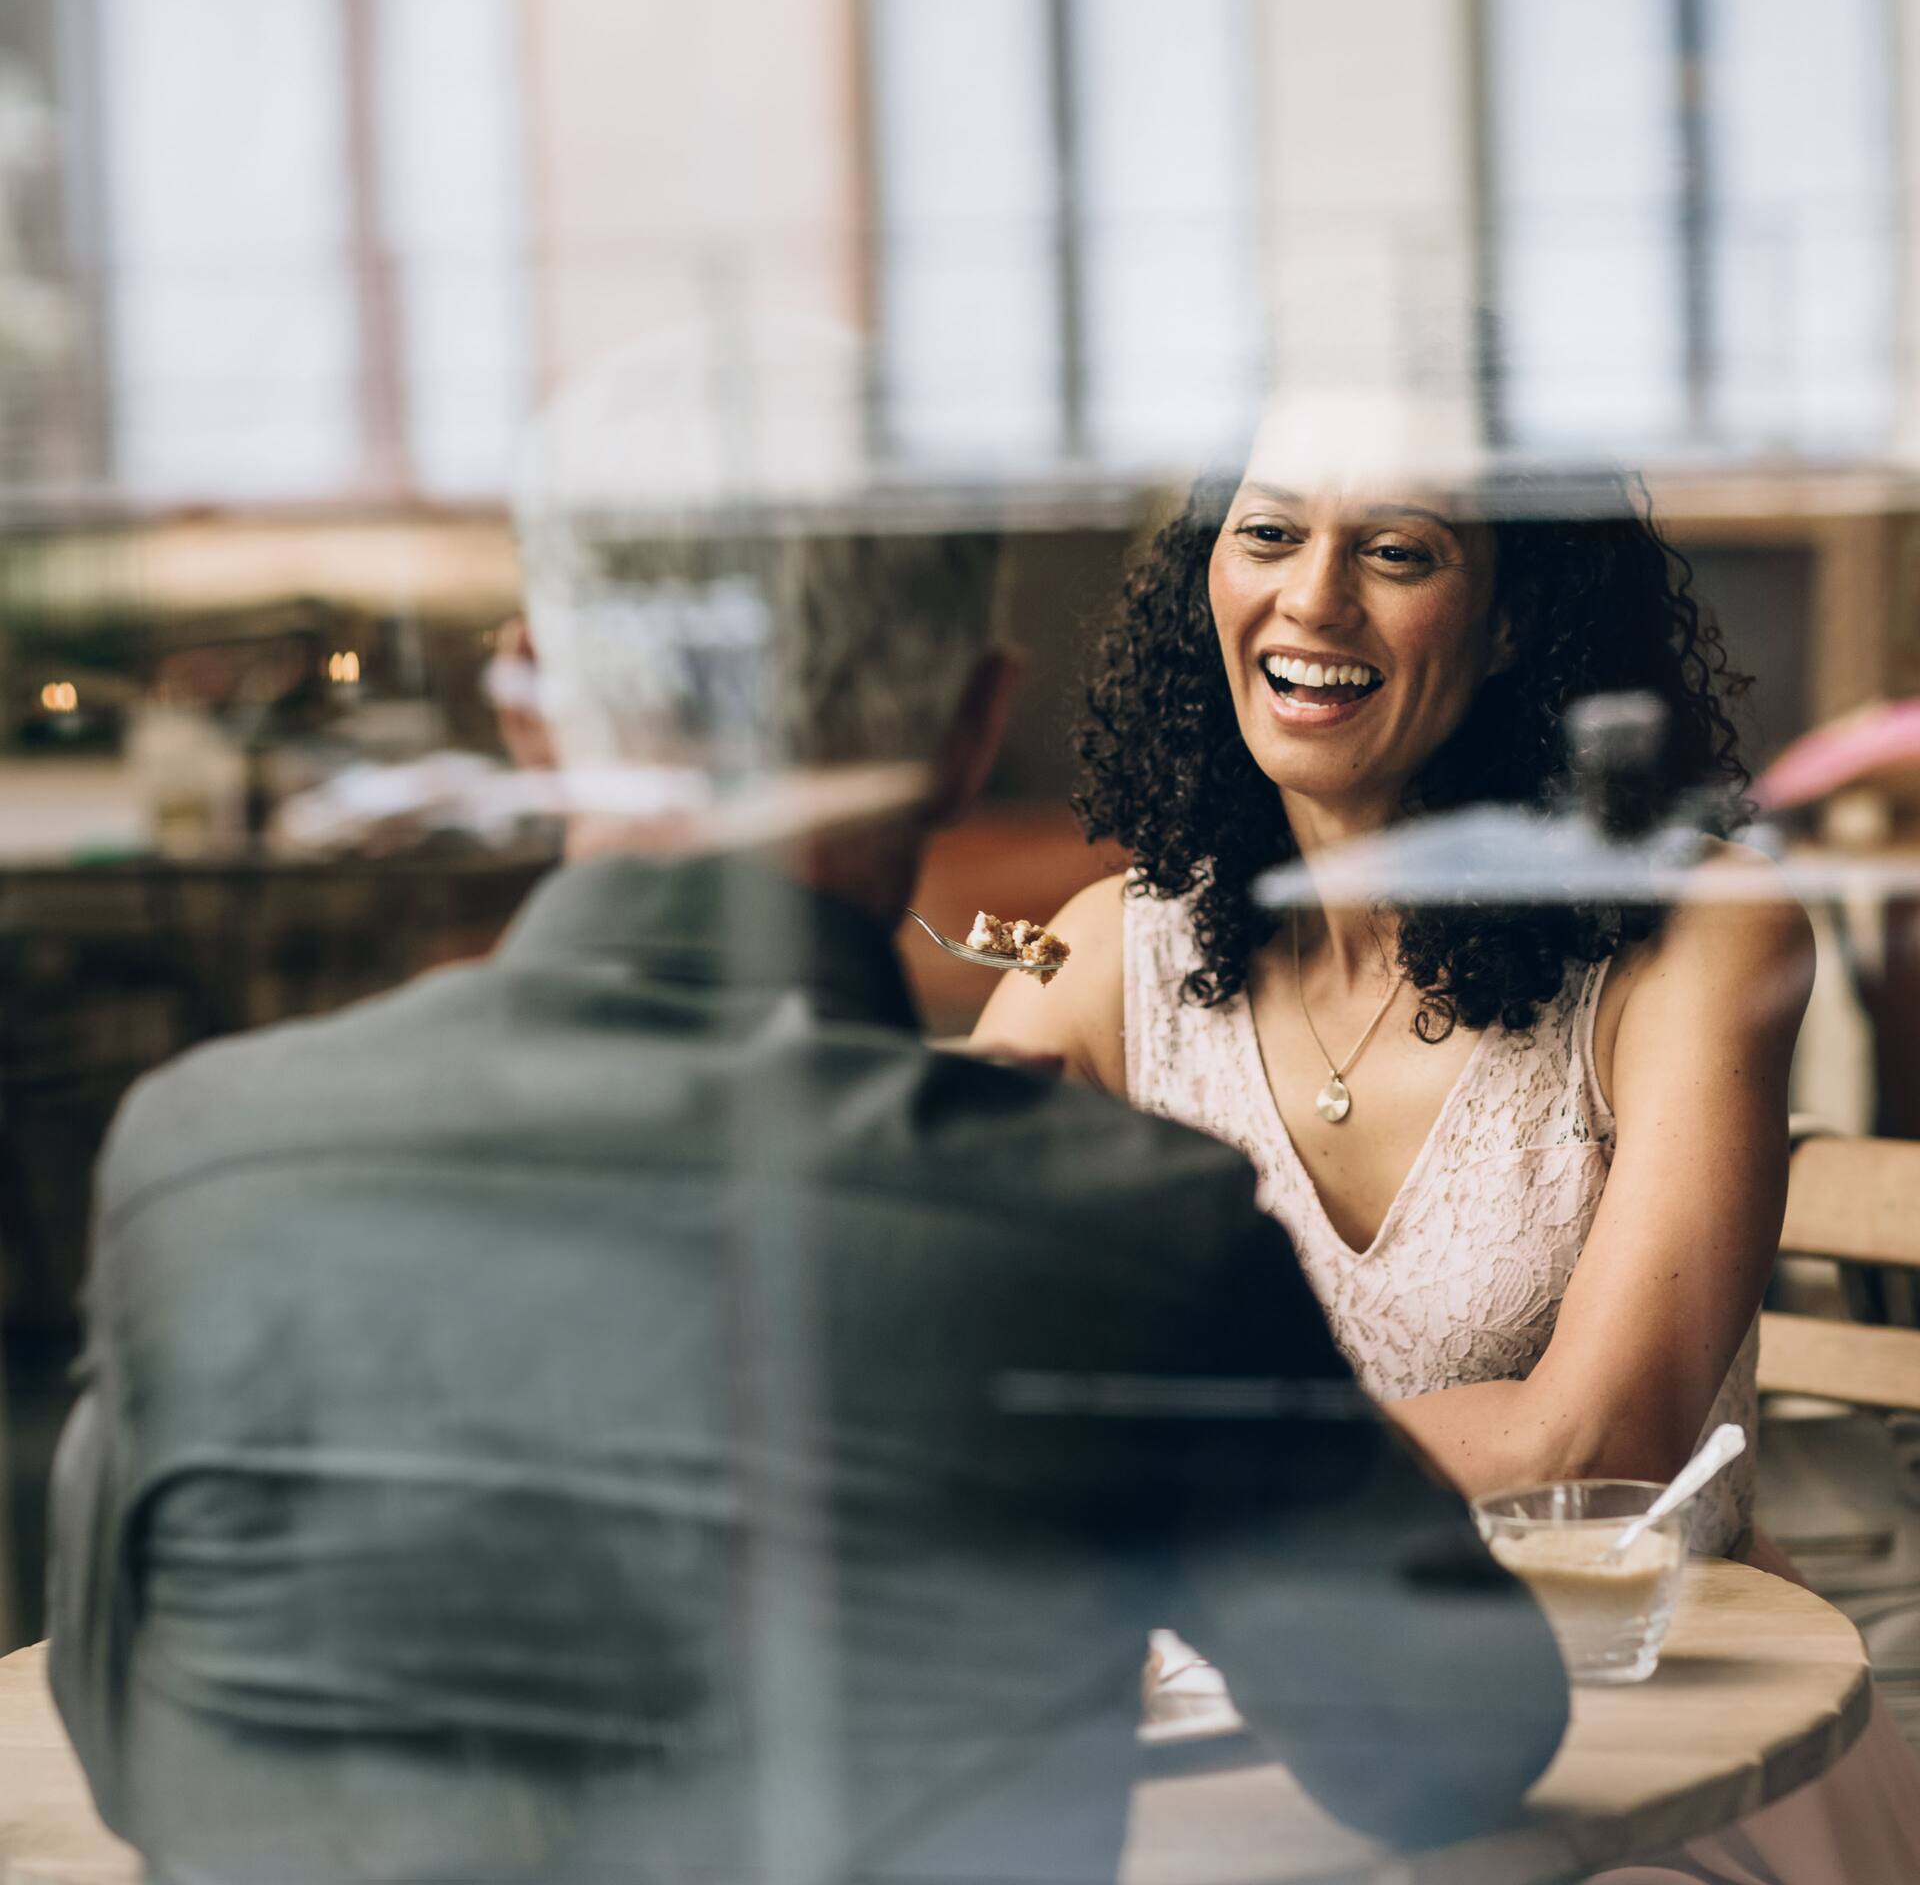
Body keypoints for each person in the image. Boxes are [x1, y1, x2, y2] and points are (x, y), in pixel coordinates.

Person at [47, 500, 1569, 1879]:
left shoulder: (197, 1157)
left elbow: (132, 1752)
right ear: (974, 728)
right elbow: (1453, 1751)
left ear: (525, 705)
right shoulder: (1122, 1230)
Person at [976, 406, 1920, 1879]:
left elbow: (1592, 1441)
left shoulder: (1699, 938)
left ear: (1508, 624)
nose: (1311, 600)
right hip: (1241, 1716)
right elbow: (937, 1325)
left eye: (1397, 553)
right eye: (1269, 533)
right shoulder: (1100, 958)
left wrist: (1141, 1470)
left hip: (1644, 1739)